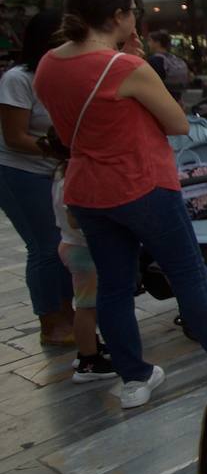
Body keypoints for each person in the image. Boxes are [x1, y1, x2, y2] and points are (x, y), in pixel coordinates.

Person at [33, 0, 207, 408]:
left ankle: (134, 379)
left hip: (87, 190)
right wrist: (133, 60)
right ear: (118, 16)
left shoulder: (47, 65)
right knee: (187, 273)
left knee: (114, 286)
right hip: (143, 184)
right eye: (133, 12)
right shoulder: (124, 68)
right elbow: (178, 123)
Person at [0, 10, 73, 346]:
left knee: (65, 243)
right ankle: (51, 320)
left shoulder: (66, 74)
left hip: (55, 169)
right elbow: (14, 136)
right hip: (20, 171)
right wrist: (60, 151)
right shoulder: (18, 79)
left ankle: (68, 312)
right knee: (44, 245)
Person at [50, 137, 117, 381]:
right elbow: (75, 220)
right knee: (87, 307)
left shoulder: (61, 173)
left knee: (88, 305)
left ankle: (90, 347)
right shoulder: (73, 178)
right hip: (82, 250)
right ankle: (88, 361)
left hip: (72, 245)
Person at [146, 30, 192, 100]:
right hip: (177, 96)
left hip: (162, 98)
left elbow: (152, 83)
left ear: (157, 43)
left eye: (150, 41)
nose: (148, 44)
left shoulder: (155, 60)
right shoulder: (174, 58)